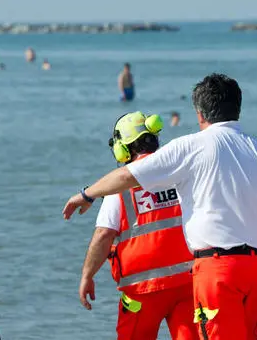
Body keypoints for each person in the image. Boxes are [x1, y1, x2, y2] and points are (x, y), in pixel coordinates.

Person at [62, 73, 257, 340]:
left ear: (200, 114)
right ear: (238, 108)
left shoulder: (192, 147)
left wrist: (87, 194)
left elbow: (126, 178)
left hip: (217, 269)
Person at [79, 111, 197, 340]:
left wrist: (87, 276)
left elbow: (103, 234)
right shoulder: (179, 173)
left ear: (122, 149)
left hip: (142, 290)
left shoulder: (118, 185)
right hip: (187, 282)